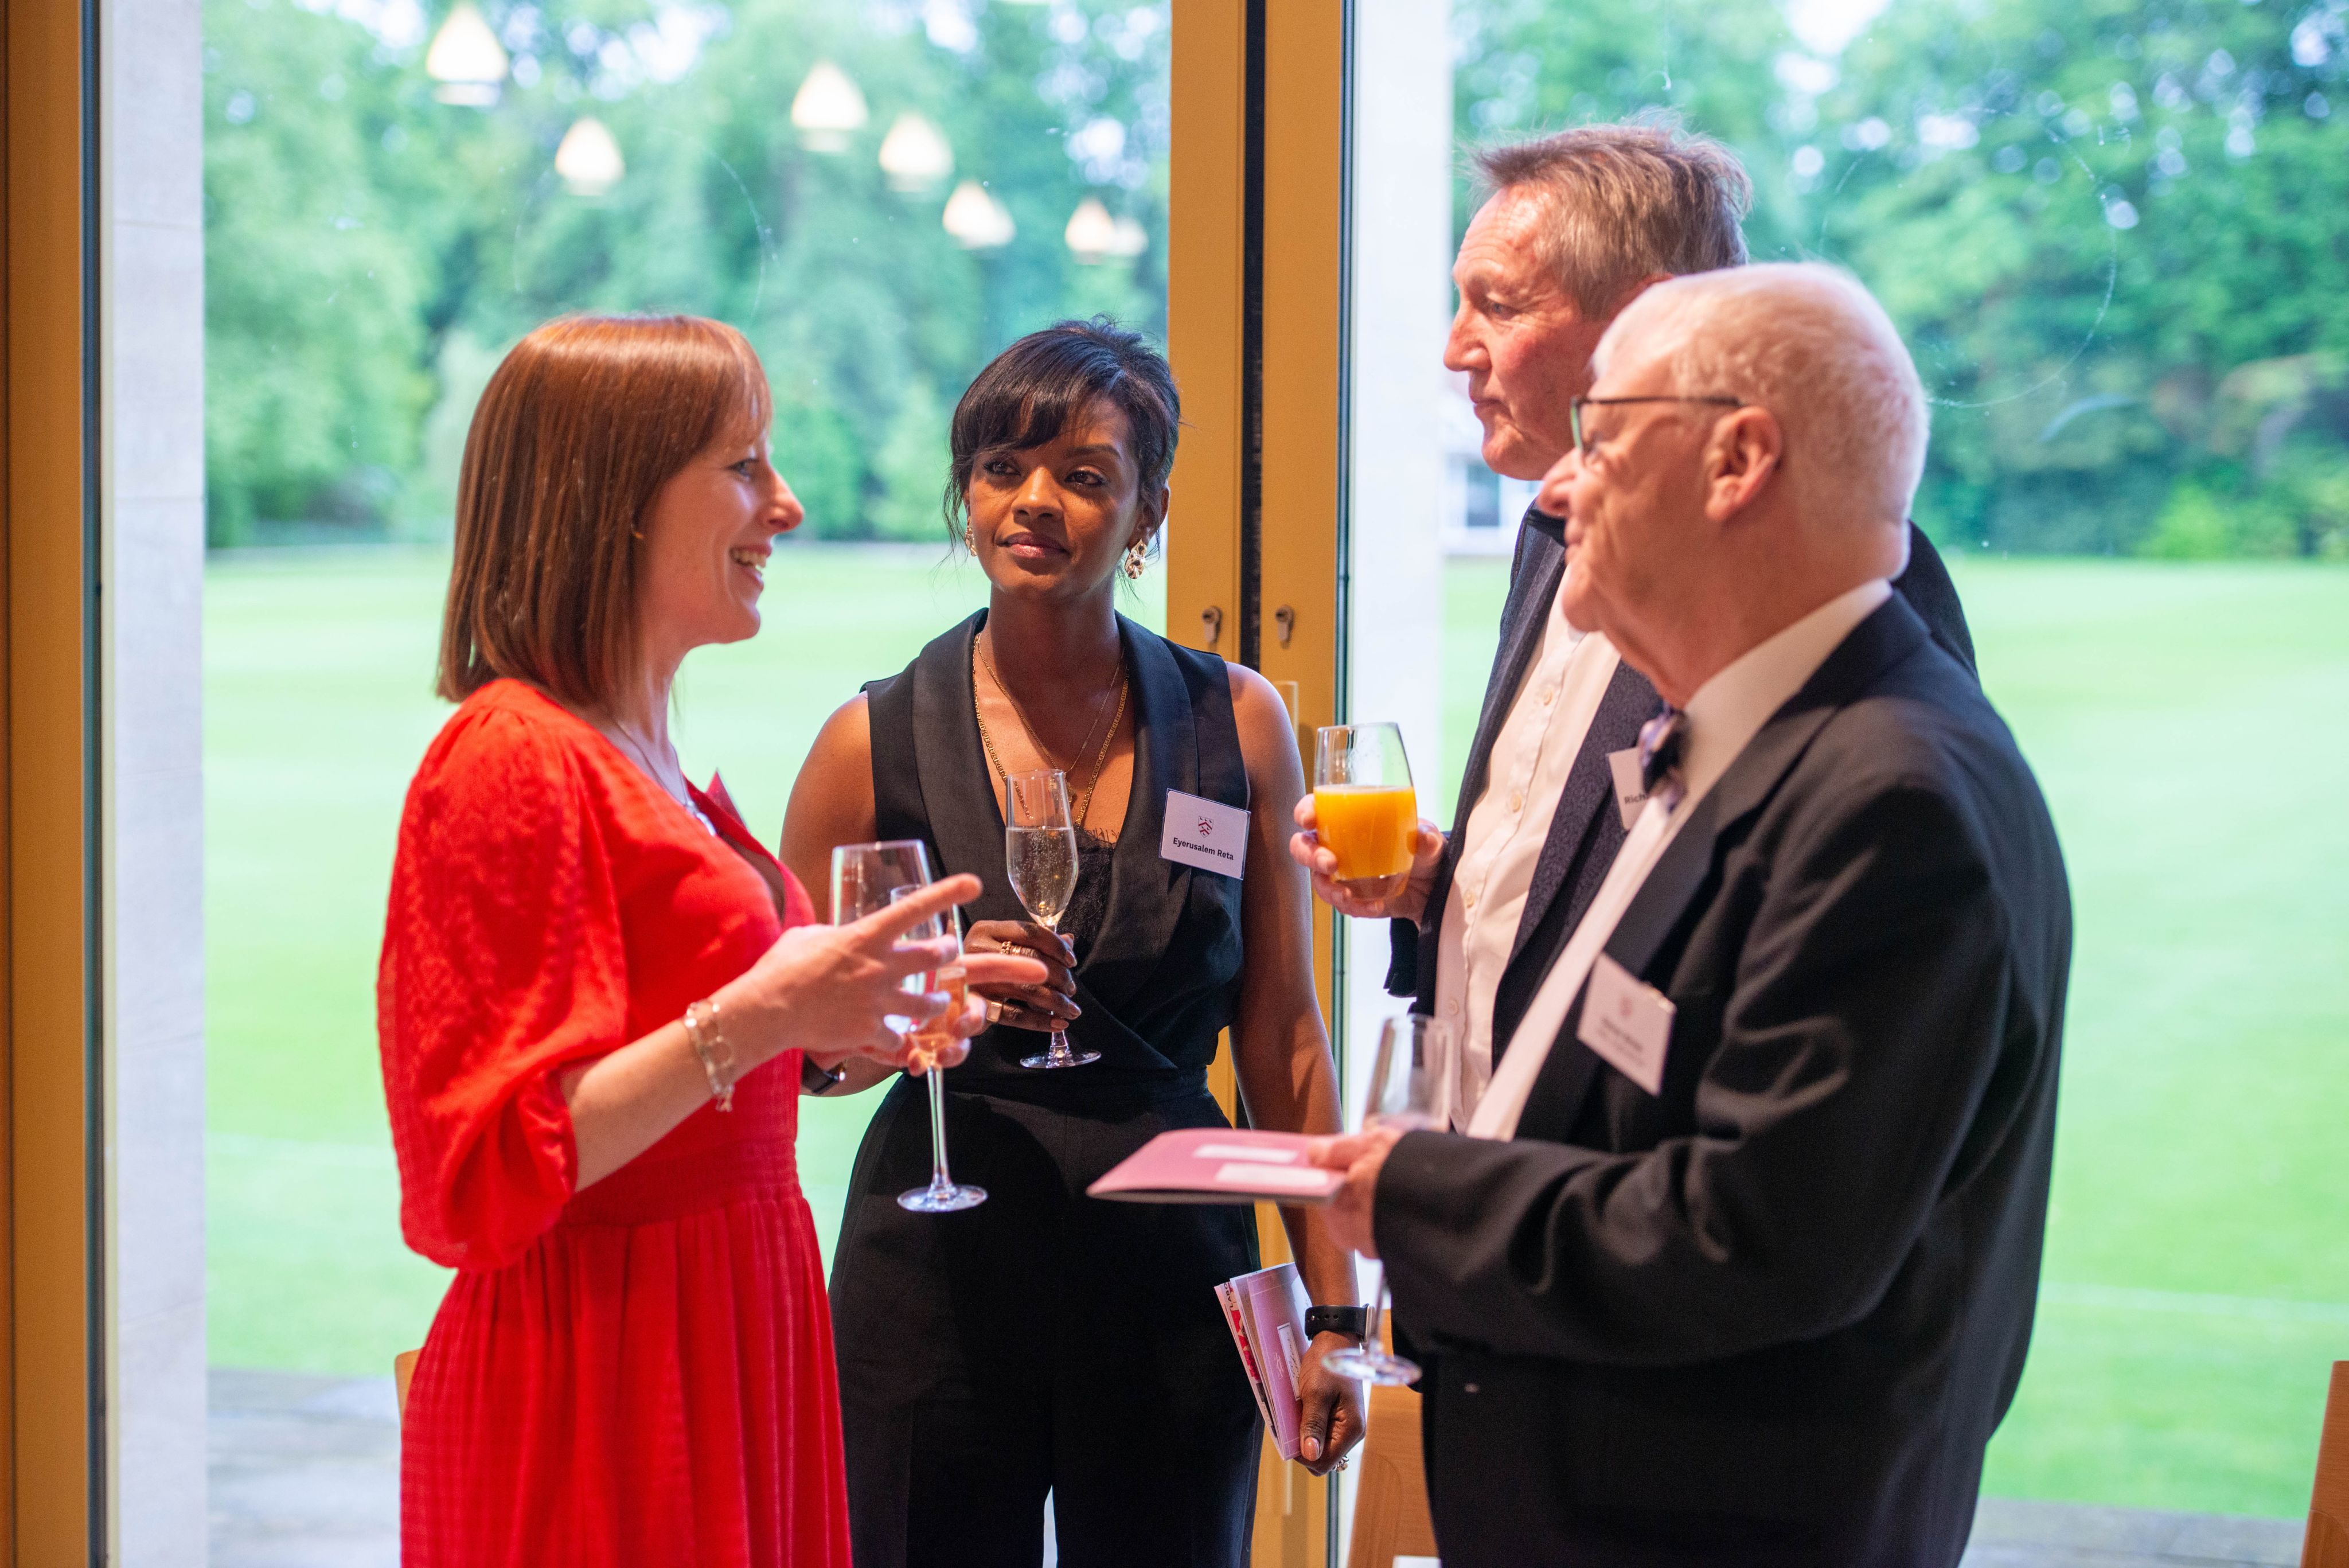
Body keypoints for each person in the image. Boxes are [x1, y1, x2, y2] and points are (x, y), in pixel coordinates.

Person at [1313, 264, 2073, 1565]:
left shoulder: (1889, 797)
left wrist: (1417, 1191)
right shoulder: (1761, 734)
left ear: (1737, 459)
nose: (1553, 489)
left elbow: (1751, 1235)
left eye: (1600, 440)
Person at [378, 314, 1044, 1568]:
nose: (784, 506)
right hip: (601, 1372)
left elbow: (725, 1059)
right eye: (745, 467)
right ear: (614, 499)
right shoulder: (513, 757)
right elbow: (473, 1176)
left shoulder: (650, 759)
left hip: (727, 1327)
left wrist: (868, 1008)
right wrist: (768, 1011)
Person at [782, 318, 1365, 1568]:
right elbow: (800, 1056)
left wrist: (1333, 1307)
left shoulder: (1237, 721)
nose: (1033, 502)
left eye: (1083, 475)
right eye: (1001, 468)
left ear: (1146, 509)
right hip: (934, 1272)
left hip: (1170, 1281)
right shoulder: (863, 745)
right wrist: (905, 1014)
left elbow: (1281, 1037)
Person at [1293, 120, 1977, 1117]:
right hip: (1500, 1186)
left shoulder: (1841, 586)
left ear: (1642, 323)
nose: (1453, 351)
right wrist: (1438, 888)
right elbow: (1578, 886)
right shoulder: (1542, 532)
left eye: (1495, 304)